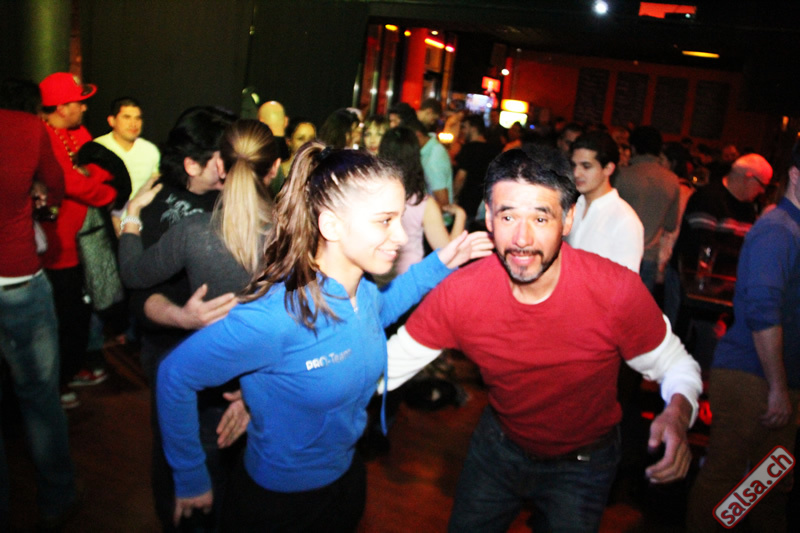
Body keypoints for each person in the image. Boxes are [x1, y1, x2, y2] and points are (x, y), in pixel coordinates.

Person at [156, 142, 492, 531]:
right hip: (278, 504)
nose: (400, 236)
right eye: (385, 221)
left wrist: (441, 263)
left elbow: (380, 310)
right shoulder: (275, 318)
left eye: (400, 218)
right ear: (331, 225)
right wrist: (190, 477)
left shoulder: (363, 290)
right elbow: (175, 376)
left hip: (346, 477)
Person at [384, 146, 702, 532]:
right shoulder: (461, 294)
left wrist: (677, 413)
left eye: (540, 217)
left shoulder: (613, 291)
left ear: (567, 219)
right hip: (498, 446)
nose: (522, 238)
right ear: (489, 218)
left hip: (583, 463)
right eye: (508, 216)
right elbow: (384, 369)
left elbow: (675, 365)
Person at [126, 105, 239, 532]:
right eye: (224, 156)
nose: (233, 163)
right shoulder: (157, 206)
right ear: (193, 164)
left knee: (223, 451)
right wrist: (182, 317)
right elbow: (138, 294)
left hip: (227, 358)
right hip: (171, 352)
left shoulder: (237, 198)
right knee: (180, 450)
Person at [686, 142, 800, 533]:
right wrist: (778, 387)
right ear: (796, 176)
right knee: (727, 473)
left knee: (770, 478)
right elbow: (762, 311)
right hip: (754, 377)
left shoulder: (787, 228)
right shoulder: (778, 230)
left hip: (772, 379)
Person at [0, 100, 78, 529]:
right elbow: (55, 184)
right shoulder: (28, 126)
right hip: (17, 279)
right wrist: (39, 205)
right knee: (39, 398)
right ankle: (57, 497)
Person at [38, 72, 118, 406]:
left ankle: (71, 369)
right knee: (63, 315)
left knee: (83, 309)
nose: (84, 108)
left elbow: (100, 166)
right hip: (58, 245)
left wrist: (90, 178)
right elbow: (69, 182)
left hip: (85, 238)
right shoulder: (42, 134)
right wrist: (106, 193)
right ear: (61, 107)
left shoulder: (78, 131)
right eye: (78, 103)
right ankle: (55, 384)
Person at [378, 126, 467, 276]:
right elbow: (449, 255)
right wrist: (460, 215)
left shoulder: (370, 196)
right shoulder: (422, 203)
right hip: (409, 279)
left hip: (374, 277)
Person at [614, 125, 681, 293]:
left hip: (620, 252)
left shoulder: (622, 175)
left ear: (633, 148)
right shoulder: (672, 180)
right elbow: (671, 225)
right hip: (650, 255)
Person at [566, 131, 644, 272]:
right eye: (574, 165)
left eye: (586, 166)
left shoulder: (625, 221)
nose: (576, 173)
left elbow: (626, 281)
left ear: (608, 169)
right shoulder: (574, 207)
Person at [93, 96, 160, 209]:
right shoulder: (98, 147)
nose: (133, 124)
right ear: (112, 120)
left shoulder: (150, 150)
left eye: (138, 118)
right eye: (127, 117)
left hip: (140, 215)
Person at [454, 114, 501, 222]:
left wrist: (454, 197)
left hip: (466, 203)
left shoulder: (468, 149)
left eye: (464, 127)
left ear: (474, 128)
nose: (462, 131)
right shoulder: (494, 150)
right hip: (484, 205)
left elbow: (460, 178)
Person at [407, 117, 453, 208]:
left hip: (436, 214)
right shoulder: (434, 148)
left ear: (418, 135)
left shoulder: (433, 158)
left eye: (409, 141)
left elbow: (443, 201)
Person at [276, 117, 315, 196]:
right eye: (301, 139)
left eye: (311, 139)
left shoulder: (319, 171)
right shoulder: (278, 172)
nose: (307, 143)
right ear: (289, 141)